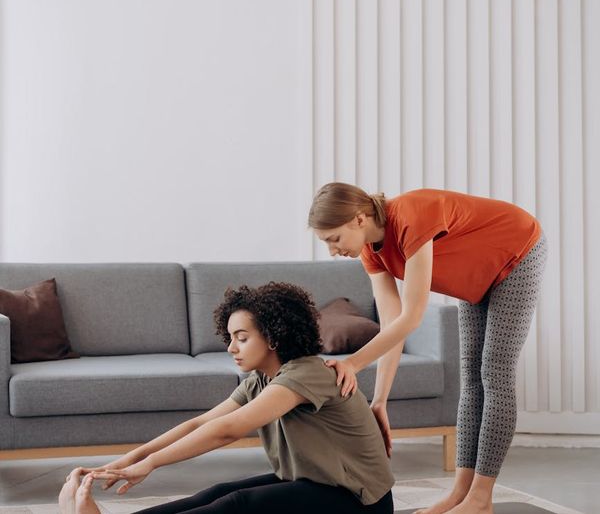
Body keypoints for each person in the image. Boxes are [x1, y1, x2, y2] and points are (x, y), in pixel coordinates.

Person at [308, 183, 548, 514]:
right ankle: (461, 493)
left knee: (494, 371)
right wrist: (379, 400)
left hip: (518, 250)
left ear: (359, 219)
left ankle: (481, 498)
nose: (332, 251)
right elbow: (393, 324)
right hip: (476, 275)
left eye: (333, 239)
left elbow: (412, 316)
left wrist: (351, 364)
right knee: (471, 376)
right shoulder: (370, 252)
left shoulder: (410, 215)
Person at [59, 282, 394, 514]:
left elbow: (228, 430)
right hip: (315, 485)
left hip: (358, 501)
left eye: (242, 338)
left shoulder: (308, 373)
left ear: (273, 337)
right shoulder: (260, 381)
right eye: (230, 337)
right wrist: (123, 463)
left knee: (237, 506)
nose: (231, 347)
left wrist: (150, 465)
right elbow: (202, 423)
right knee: (218, 494)